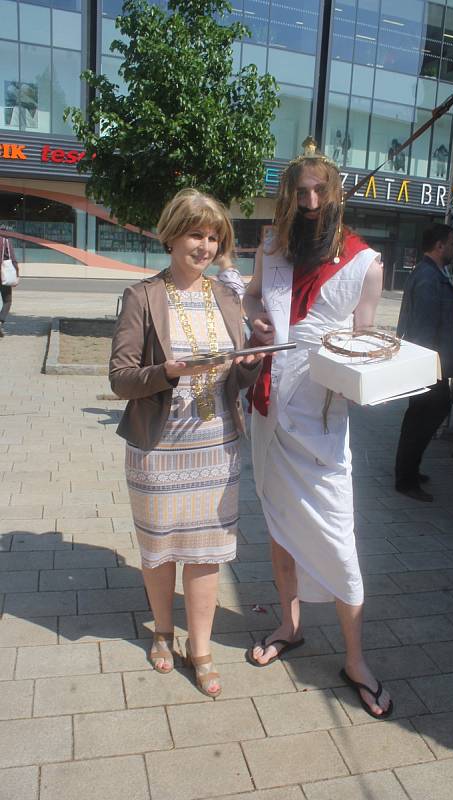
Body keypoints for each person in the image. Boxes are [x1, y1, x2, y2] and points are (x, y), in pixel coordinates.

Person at [244, 148, 393, 719]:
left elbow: (365, 343)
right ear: (289, 195)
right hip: (268, 410)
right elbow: (255, 296)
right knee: (279, 524)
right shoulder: (274, 247)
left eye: (318, 193)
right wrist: (254, 315)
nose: (309, 204)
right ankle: (291, 624)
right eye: (300, 193)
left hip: (323, 423)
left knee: (337, 536)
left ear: (335, 195)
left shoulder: (366, 263)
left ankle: (355, 659)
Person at [109, 189, 263, 698]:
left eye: (214, 235)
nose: (206, 245)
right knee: (159, 551)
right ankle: (161, 630)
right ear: (172, 234)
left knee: (205, 553)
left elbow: (236, 381)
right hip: (159, 447)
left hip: (216, 445)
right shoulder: (142, 296)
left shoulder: (226, 296)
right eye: (197, 233)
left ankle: (200, 648)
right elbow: (121, 378)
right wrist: (168, 371)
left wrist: (253, 360)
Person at [395, 223, 453, 501]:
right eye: (452, 242)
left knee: (418, 418)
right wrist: (426, 368)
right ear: (440, 245)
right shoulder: (427, 277)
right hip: (428, 365)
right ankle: (406, 479)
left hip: (429, 364)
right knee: (423, 418)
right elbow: (423, 329)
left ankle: (409, 471)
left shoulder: (430, 273)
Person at [0, 231, 19, 336]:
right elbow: (13, 259)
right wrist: (17, 274)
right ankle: (0, 321)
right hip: (3, 276)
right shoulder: (5, 241)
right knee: (7, 301)